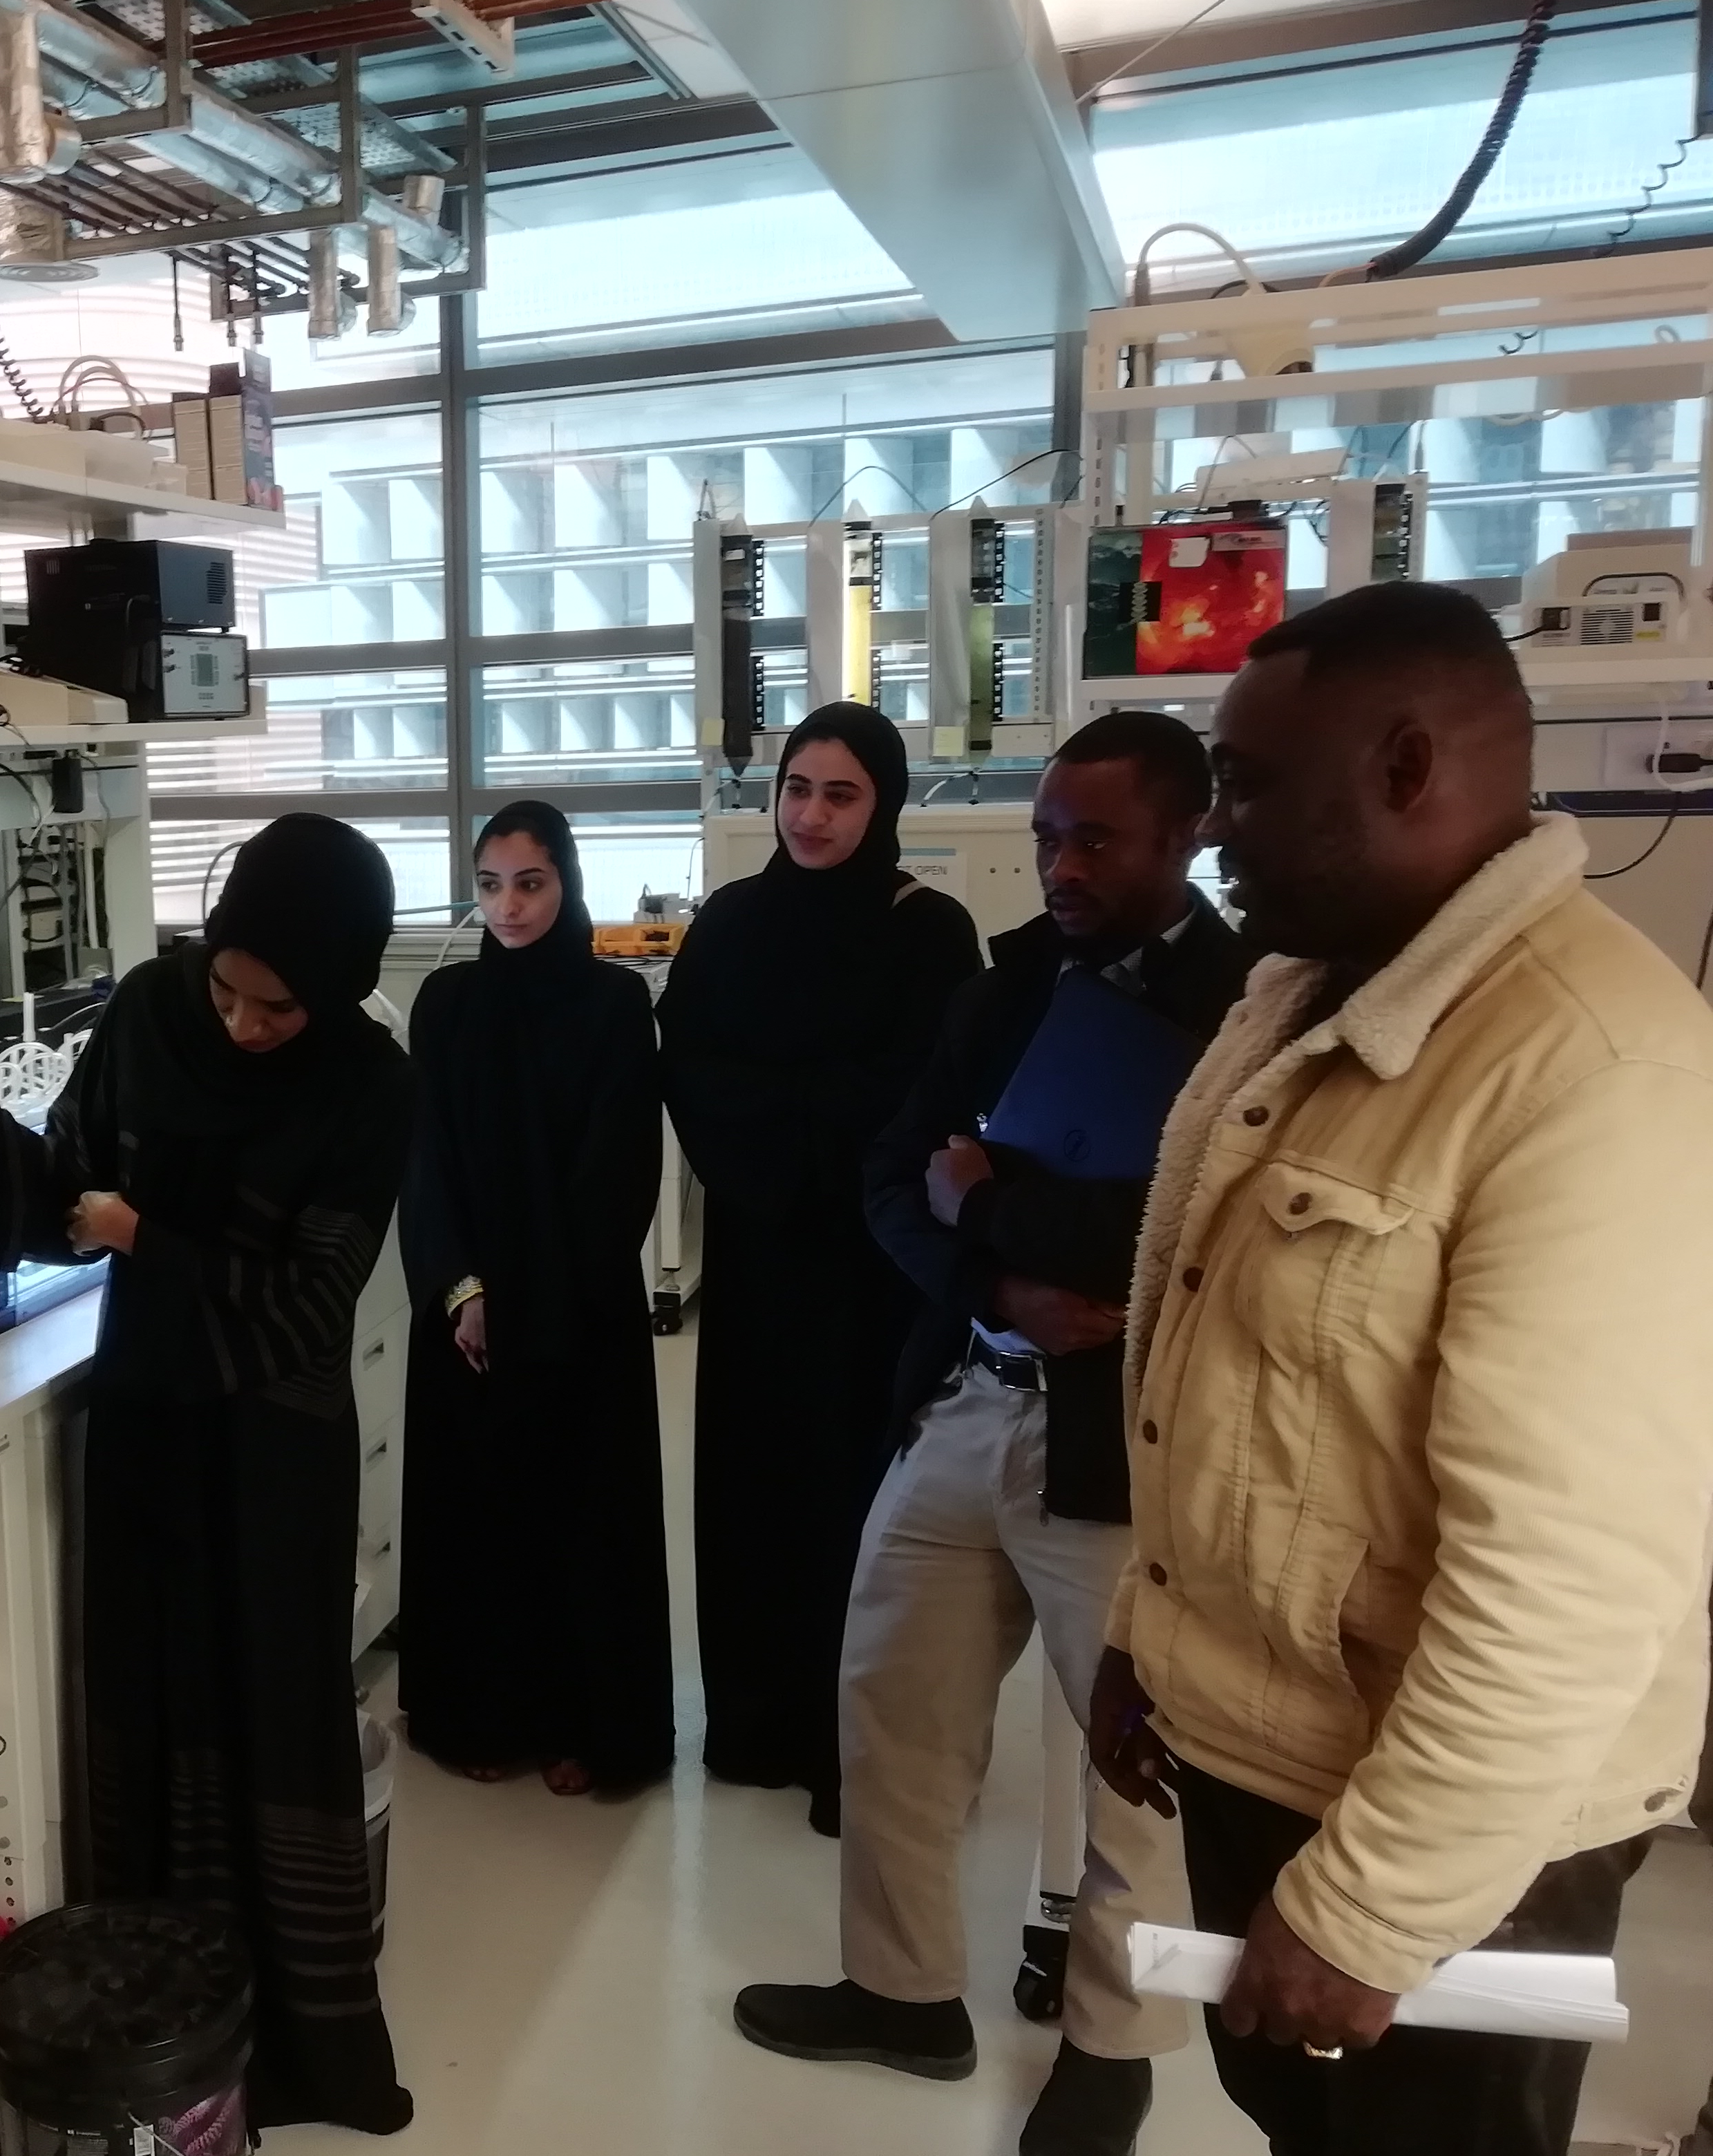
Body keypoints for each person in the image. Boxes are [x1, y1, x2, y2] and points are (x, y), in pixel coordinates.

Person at [1090, 581, 1713, 2156]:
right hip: (1272, 1747)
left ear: (1408, 765)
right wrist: (1141, 1631)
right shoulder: (1307, 990)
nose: (1211, 824)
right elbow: (1220, 1361)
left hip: (1446, 1838)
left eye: (1243, 784)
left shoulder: (1591, 1068)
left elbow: (1568, 1584)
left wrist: (1376, 1907)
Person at [735, 712, 1247, 2156]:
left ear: (1186, 833)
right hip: (967, 1394)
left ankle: (1111, 2043)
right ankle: (900, 1992)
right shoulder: (1013, 981)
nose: (1061, 865)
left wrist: (998, 1200)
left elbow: (1188, 1227)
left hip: (1121, 1445)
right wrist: (996, 1270)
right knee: (892, 1702)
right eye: (1043, 838)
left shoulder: (1244, 1003)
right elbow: (898, 1170)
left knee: (1127, 1768)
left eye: (1096, 839)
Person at [0, 813, 413, 2136]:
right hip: (146, 1429)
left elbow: (311, 1308)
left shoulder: (369, 1083)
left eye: (278, 1008)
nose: (242, 1024)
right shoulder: (147, 1015)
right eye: (229, 989)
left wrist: (155, 1237)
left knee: (271, 1721)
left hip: (272, 1454)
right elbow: (69, 1189)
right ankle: (169, 2039)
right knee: (146, 1709)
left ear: (343, 987)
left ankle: (298, 2050)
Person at [659, 699, 982, 1831]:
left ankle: (860, 1752)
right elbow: (691, 1069)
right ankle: (754, 1725)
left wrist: (798, 1131)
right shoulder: (733, 921)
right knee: (757, 1493)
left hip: (873, 1271)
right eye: (798, 789)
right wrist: (783, 1148)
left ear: (883, 804)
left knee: (866, 1503)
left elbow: (918, 1088)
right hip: (758, 1256)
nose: (812, 814)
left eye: (841, 794)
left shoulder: (927, 931)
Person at [397, 800, 674, 1797]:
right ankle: (482, 1711)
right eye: (490, 885)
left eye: (529, 883)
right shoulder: (448, 1007)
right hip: (465, 1314)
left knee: (578, 1519)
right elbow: (427, 1163)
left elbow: (615, 1177)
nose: (508, 906)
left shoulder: (611, 1005)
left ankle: (582, 1727)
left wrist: (536, 1302)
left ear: (566, 884)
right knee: (477, 1517)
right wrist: (463, 1289)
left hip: (577, 1311)